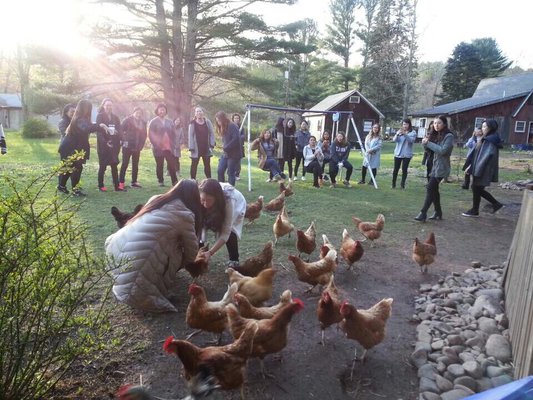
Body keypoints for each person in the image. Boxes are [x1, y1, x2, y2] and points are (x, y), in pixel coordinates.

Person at [105, 179, 202, 313]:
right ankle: (155, 282)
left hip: (114, 254)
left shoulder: (156, 200)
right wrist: (182, 263)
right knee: (177, 250)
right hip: (133, 286)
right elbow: (192, 252)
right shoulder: (185, 215)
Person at [58, 99, 107, 196]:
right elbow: (87, 128)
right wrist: (100, 126)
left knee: (72, 168)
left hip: (75, 147)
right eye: (88, 108)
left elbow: (89, 126)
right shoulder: (79, 119)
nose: (89, 111)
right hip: (71, 148)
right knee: (75, 168)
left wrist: (99, 126)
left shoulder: (80, 118)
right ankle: (73, 190)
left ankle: (62, 186)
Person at [198, 178, 246, 267]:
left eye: (209, 200)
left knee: (230, 230)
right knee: (202, 222)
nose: (205, 204)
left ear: (217, 198)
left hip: (237, 204)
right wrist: (201, 241)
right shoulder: (200, 195)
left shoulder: (229, 201)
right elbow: (201, 224)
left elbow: (226, 232)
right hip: (217, 206)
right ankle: (200, 252)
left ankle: (234, 259)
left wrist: (210, 252)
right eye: (203, 200)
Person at [414, 115, 454, 222]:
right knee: (434, 190)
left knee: (430, 188)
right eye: (435, 123)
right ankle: (438, 212)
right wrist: (425, 143)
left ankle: (423, 213)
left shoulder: (448, 136)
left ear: (444, 124)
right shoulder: (434, 134)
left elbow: (442, 151)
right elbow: (428, 150)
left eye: (439, 123)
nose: (436, 125)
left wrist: (429, 143)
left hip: (441, 167)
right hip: (431, 165)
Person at [462, 119, 504, 217]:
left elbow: (484, 157)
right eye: (483, 126)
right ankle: (481, 208)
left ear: (491, 128)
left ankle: (478, 209)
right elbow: (476, 152)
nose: (483, 128)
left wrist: (475, 169)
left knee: (476, 188)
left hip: (483, 169)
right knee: (476, 188)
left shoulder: (490, 140)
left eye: (485, 127)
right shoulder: (487, 138)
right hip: (480, 168)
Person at [96, 98, 123, 192]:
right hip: (103, 145)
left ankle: (117, 186)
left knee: (114, 166)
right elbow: (98, 131)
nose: (109, 107)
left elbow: (120, 129)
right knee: (102, 166)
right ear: (103, 106)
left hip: (114, 144)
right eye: (107, 105)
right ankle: (100, 185)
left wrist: (120, 137)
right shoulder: (100, 116)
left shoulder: (115, 117)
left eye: (110, 105)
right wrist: (105, 142)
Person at [148, 103, 178, 187]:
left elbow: (174, 134)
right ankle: (160, 181)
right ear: (157, 111)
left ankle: (175, 182)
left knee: (172, 164)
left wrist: (173, 144)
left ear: (166, 111)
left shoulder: (169, 122)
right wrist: (155, 145)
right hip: (158, 148)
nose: (162, 111)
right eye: (160, 109)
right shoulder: (153, 122)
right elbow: (150, 135)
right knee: (160, 164)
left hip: (169, 147)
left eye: (163, 109)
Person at [119, 106, 147, 189]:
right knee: (125, 164)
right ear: (133, 112)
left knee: (135, 164)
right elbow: (120, 130)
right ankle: (121, 182)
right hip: (127, 146)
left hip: (137, 146)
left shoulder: (143, 122)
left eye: (140, 113)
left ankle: (134, 182)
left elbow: (144, 134)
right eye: (137, 112)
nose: (138, 114)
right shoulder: (127, 120)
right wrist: (123, 140)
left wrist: (141, 145)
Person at [188, 106, 215, 180]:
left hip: (206, 148)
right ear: (195, 114)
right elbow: (190, 135)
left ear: (203, 113)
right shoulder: (192, 123)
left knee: (207, 165)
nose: (199, 113)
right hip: (196, 148)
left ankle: (209, 180)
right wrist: (191, 147)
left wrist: (212, 145)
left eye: (200, 111)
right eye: (197, 111)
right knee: (194, 165)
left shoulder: (207, 122)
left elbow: (212, 133)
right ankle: (192, 181)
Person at [215, 111, 242, 186]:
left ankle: (230, 190)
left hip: (234, 154)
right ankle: (221, 188)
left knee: (230, 172)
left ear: (223, 119)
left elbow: (236, 139)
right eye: (217, 121)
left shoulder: (232, 126)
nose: (218, 122)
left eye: (219, 120)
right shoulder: (223, 127)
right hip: (226, 154)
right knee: (220, 170)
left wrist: (226, 147)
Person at [391, 118, 417, 189]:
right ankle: (393, 184)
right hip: (398, 153)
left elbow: (411, 141)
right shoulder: (399, 131)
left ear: (409, 125)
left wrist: (405, 134)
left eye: (406, 124)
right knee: (396, 169)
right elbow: (394, 140)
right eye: (404, 124)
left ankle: (402, 185)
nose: (405, 126)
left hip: (407, 154)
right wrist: (397, 134)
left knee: (404, 169)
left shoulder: (413, 132)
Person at [57, 103, 75, 186]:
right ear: (66, 112)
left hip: (74, 147)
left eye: (75, 111)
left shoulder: (75, 120)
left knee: (73, 167)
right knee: (65, 167)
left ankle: (74, 184)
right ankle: (61, 185)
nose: (73, 113)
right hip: (65, 148)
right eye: (72, 111)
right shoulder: (62, 121)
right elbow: (65, 133)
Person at [232, 113, 245, 181]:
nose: (236, 119)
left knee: (238, 162)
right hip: (232, 147)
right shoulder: (230, 126)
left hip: (239, 147)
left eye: (237, 118)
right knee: (232, 161)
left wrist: (238, 137)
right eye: (235, 118)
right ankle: (232, 174)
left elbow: (243, 136)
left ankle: (237, 175)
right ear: (233, 119)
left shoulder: (241, 127)